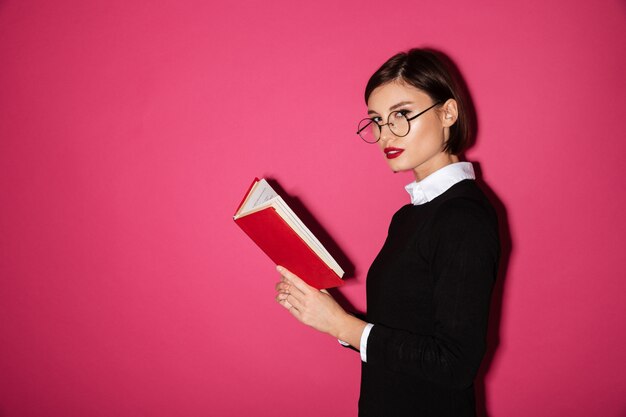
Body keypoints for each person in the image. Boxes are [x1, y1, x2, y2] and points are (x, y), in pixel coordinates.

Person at [274, 48, 500, 417]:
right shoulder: (410, 215)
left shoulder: (463, 217)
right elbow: (405, 327)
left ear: (448, 113)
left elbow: (455, 364)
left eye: (402, 114)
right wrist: (325, 313)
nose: (385, 134)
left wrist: (341, 325)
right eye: (377, 120)